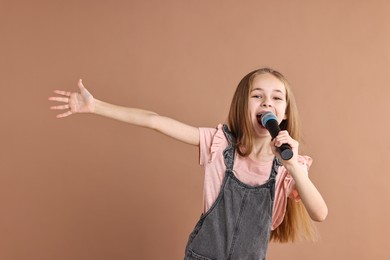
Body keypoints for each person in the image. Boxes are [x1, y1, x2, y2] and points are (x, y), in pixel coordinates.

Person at [49, 67, 328, 260]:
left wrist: (294, 168)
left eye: (276, 98)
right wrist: (96, 106)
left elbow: (320, 213)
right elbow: (155, 121)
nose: (267, 102)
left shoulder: (289, 166)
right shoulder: (219, 145)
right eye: (257, 96)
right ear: (243, 104)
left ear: (285, 112)